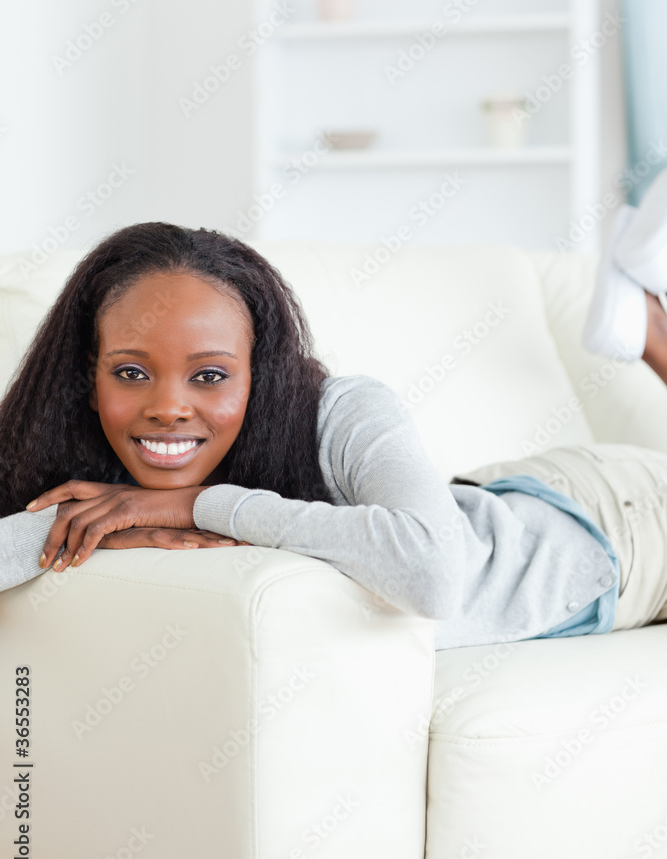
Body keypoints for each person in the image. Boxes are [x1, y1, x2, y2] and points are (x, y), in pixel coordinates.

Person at [0, 216, 666, 651]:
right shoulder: (76, 442)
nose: (168, 407)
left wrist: (191, 503)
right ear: (88, 377)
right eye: (131, 372)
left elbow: (432, 575)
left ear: (260, 374)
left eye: (208, 375)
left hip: (615, 526)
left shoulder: (340, 408)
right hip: (491, 496)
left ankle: (648, 324)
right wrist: (74, 525)